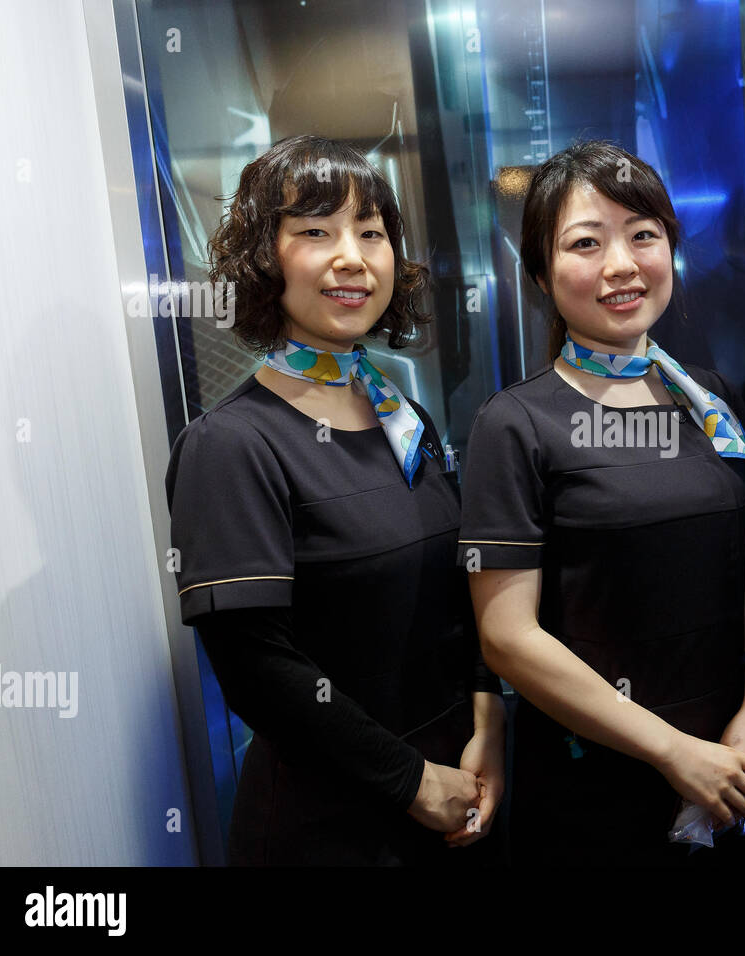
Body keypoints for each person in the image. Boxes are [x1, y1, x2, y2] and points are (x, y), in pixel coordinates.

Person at [165, 135, 505, 865]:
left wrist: (488, 718)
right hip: (331, 823)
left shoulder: (403, 418)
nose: (351, 256)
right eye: (315, 231)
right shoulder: (229, 445)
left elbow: (459, 594)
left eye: (372, 233)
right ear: (264, 258)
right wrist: (412, 781)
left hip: (461, 789)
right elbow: (258, 669)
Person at [458, 141, 745, 866]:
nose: (622, 265)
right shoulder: (514, 423)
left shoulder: (710, 398)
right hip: (591, 787)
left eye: (643, 234)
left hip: (732, 770)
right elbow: (507, 638)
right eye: (585, 242)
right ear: (541, 273)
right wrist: (673, 752)